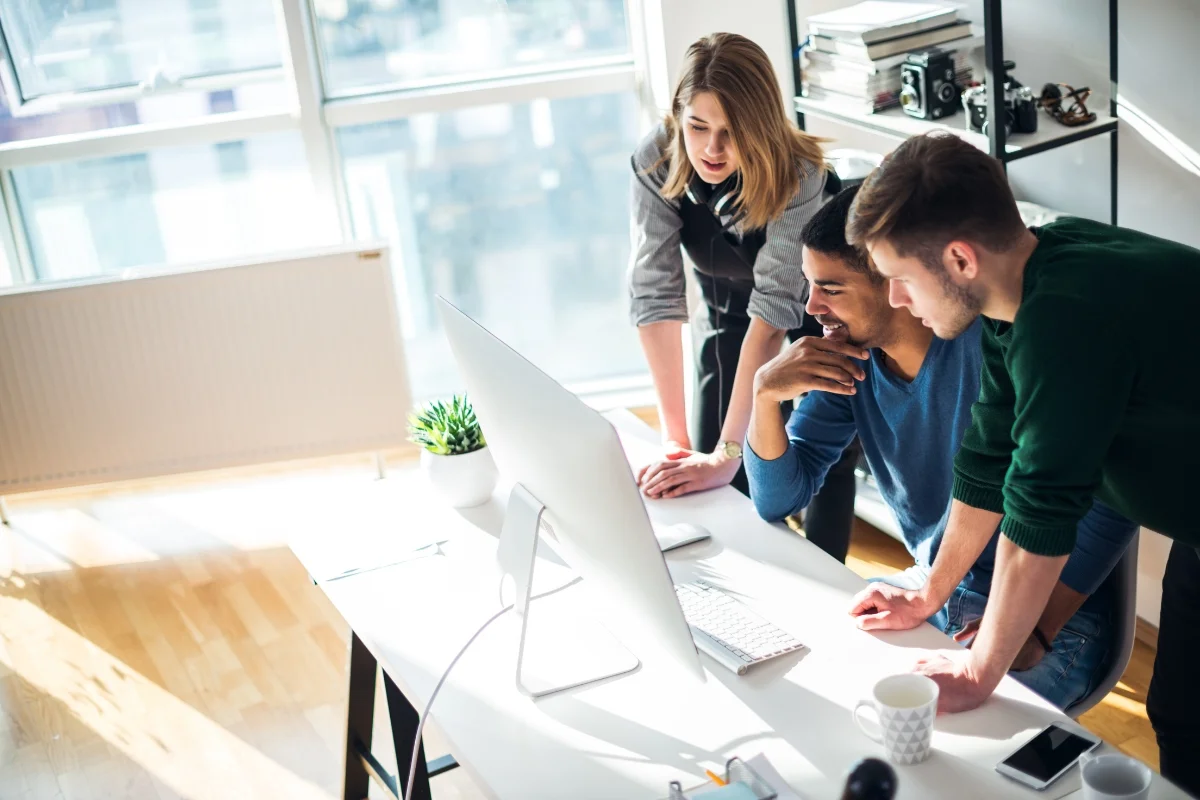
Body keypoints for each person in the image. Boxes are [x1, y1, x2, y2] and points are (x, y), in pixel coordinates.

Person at [843, 131, 1200, 795]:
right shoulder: (1028, 289)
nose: (895, 300)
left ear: (958, 259)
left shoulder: (1065, 321)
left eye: (899, 279)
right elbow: (986, 463)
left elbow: (1040, 515)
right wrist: (930, 592)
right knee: (1183, 716)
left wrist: (980, 670)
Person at [745, 186, 1137, 711]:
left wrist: (1035, 631)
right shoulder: (847, 364)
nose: (811, 307)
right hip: (932, 590)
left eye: (830, 289)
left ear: (896, 283)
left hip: (1041, 619)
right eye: (810, 286)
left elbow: (1115, 496)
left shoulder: (997, 348)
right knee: (801, 685)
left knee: (933, 743)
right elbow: (776, 499)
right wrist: (764, 395)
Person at [627, 32, 858, 561]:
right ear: (677, 118)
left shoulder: (801, 177)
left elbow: (775, 311)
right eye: (698, 127)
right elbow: (654, 292)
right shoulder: (655, 161)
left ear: (761, 127)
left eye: (732, 132)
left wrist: (730, 452)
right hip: (725, 310)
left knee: (813, 456)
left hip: (807, 319)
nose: (712, 148)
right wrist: (676, 442)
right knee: (709, 474)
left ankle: (823, 578)